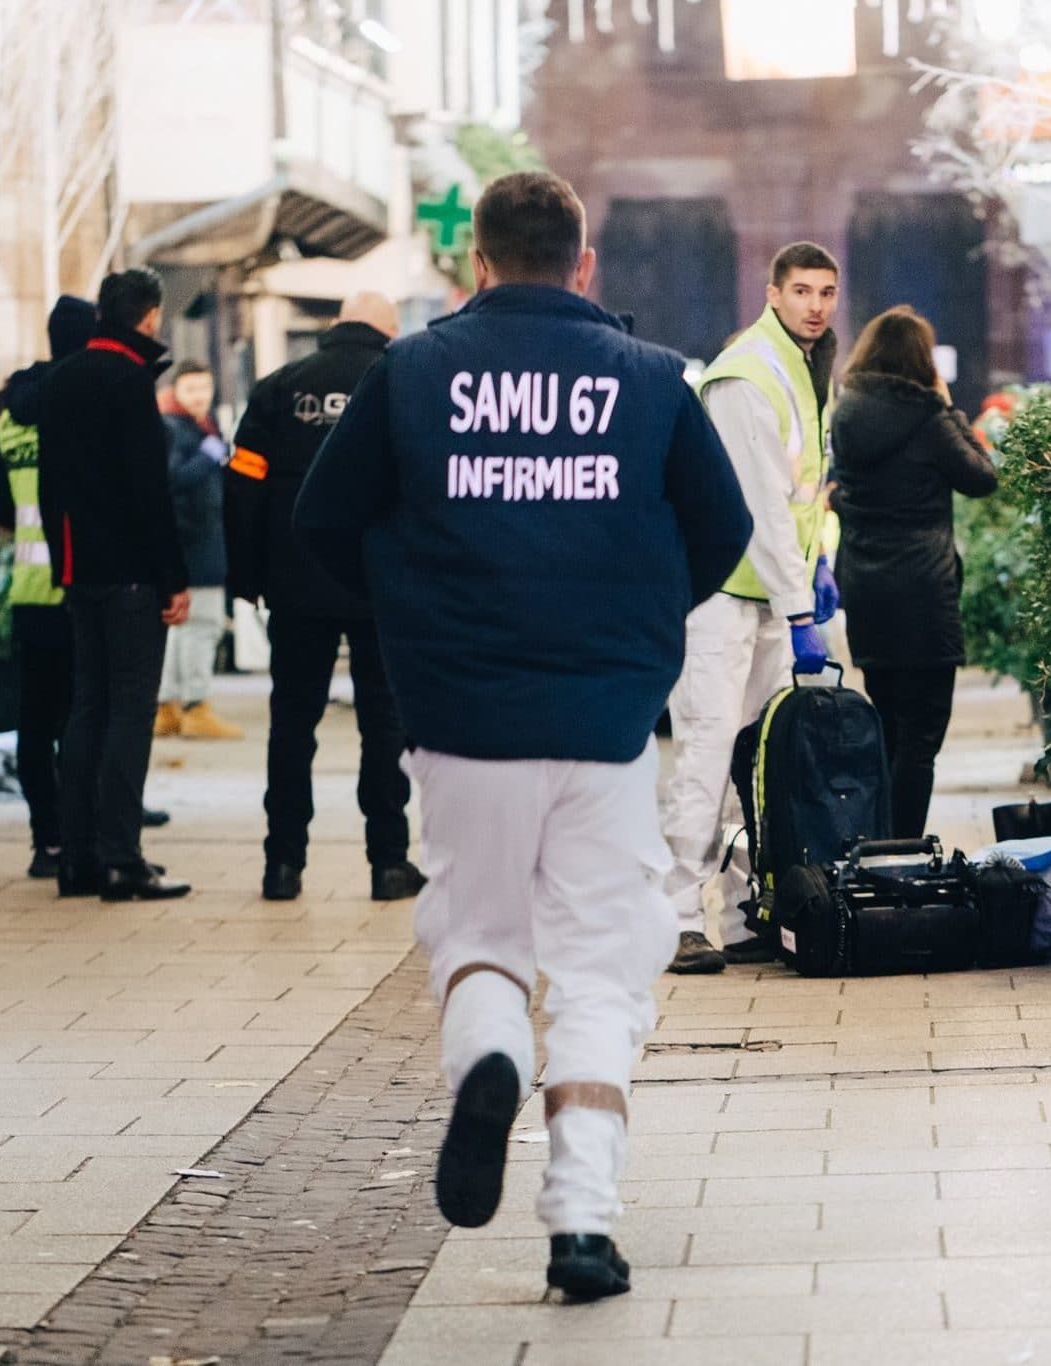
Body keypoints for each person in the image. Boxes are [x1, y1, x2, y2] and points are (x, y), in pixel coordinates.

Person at [294, 171, 751, 1302]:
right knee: (603, 967)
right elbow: (724, 529)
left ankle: (488, 1055)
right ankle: (580, 1225)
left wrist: (417, 609)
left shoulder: (409, 371)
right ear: (583, 266)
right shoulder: (652, 382)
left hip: (459, 717)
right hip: (603, 724)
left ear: (477, 265)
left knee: (478, 932)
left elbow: (319, 520)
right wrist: (635, 627)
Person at [661, 242, 843, 975]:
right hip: (720, 599)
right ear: (773, 294)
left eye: (827, 292)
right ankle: (678, 918)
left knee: (754, 765)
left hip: (767, 596)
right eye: (802, 290)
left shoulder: (803, 368)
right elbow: (761, 505)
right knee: (706, 758)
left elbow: (802, 497)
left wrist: (812, 568)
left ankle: (740, 915)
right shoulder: (746, 375)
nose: (816, 305)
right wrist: (802, 611)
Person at [224, 292, 425, 903]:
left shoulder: (280, 388)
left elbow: (241, 488)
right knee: (384, 726)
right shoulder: (402, 382)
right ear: (385, 330)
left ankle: (282, 865)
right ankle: (389, 863)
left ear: (337, 326)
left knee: (291, 726)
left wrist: (248, 578)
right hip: (378, 587)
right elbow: (424, 485)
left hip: (295, 584)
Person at [36, 268, 192, 902]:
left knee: (87, 710)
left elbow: (49, 490)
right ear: (149, 318)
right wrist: (172, 579)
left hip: (78, 572)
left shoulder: (62, 378)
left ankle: (77, 858)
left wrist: (61, 561)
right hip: (130, 574)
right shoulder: (130, 382)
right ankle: (122, 858)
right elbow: (149, 492)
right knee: (131, 712)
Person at [831, 305, 996, 838]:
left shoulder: (846, 412)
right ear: (922, 361)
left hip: (867, 594)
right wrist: (949, 409)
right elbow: (982, 478)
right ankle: (901, 852)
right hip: (923, 596)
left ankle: (881, 846)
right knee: (922, 739)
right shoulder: (928, 419)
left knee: (889, 733)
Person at [0, 296, 95, 881]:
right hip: (80, 586)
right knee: (84, 719)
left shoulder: (10, 413)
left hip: (28, 592)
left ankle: (45, 842)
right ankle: (85, 838)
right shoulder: (79, 402)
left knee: (35, 722)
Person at [155, 361, 244, 742]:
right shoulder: (177, 429)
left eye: (205, 389)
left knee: (180, 631)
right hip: (197, 546)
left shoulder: (190, 426)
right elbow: (172, 480)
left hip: (187, 546)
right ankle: (195, 706)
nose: (200, 397)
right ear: (176, 391)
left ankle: (169, 707)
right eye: (191, 389)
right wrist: (210, 457)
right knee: (201, 627)